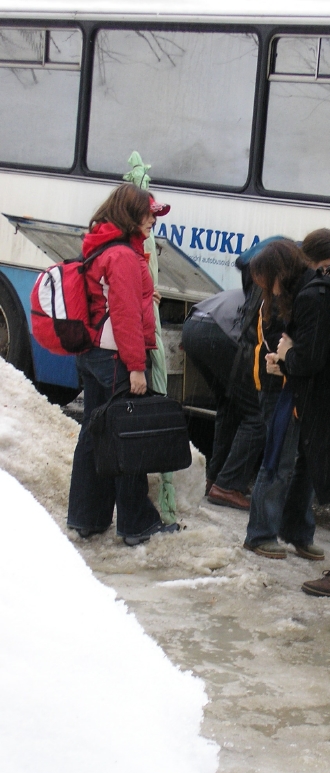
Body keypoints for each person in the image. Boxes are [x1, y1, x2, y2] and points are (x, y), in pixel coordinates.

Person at [249, 239, 330, 597]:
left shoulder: (312, 297)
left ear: (280, 273)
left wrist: (287, 359)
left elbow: (312, 360)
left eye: (267, 281)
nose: (267, 290)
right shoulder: (325, 285)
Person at [67, 183, 180, 547]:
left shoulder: (101, 245)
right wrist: (136, 366)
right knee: (129, 437)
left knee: (94, 433)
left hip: (94, 353)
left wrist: (147, 294)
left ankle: (88, 518)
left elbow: (116, 299)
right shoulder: (124, 256)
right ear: (131, 214)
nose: (152, 220)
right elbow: (126, 315)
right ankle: (136, 524)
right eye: (148, 213)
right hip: (117, 357)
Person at [243, 229, 330, 560]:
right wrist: (283, 357)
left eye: (269, 280)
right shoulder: (276, 299)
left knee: (305, 464)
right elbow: (274, 343)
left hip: (301, 387)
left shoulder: (306, 292)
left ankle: (297, 530)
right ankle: (260, 533)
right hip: (276, 390)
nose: (268, 287)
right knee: (278, 460)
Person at [182, 289, 266, 511]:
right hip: (218, 332)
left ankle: (215, 478)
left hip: (194, 326)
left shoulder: (258, 286)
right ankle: (228, 485)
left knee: (229, 405)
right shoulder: (285, 293)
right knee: (257, 414)